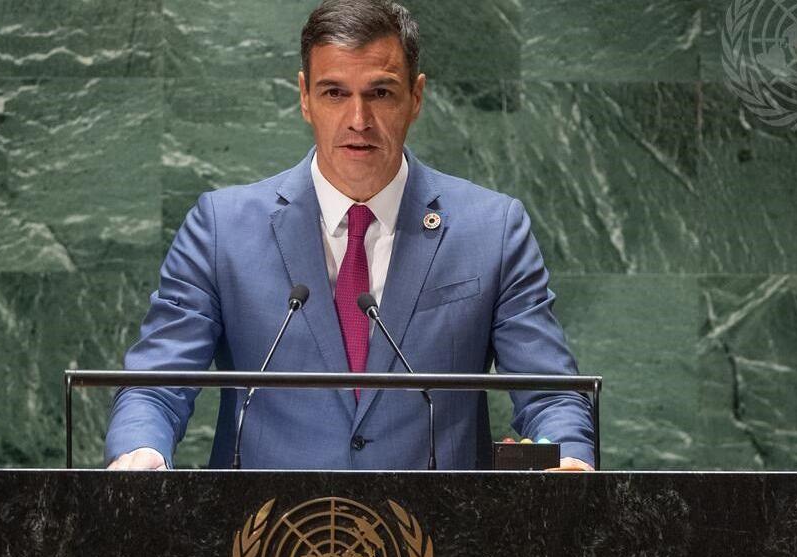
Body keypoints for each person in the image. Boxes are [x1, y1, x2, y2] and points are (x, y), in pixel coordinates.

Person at [106, 0, 595, 471]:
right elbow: (156, 385)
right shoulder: (221, 228)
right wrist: (141, 452)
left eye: (379, 93)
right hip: (265, 542)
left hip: (442, 543)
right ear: (304, 97)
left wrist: (568, 459)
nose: (358, 120)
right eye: (334, 92)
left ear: (416, 97)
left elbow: (549, 391)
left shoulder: (492, 229)